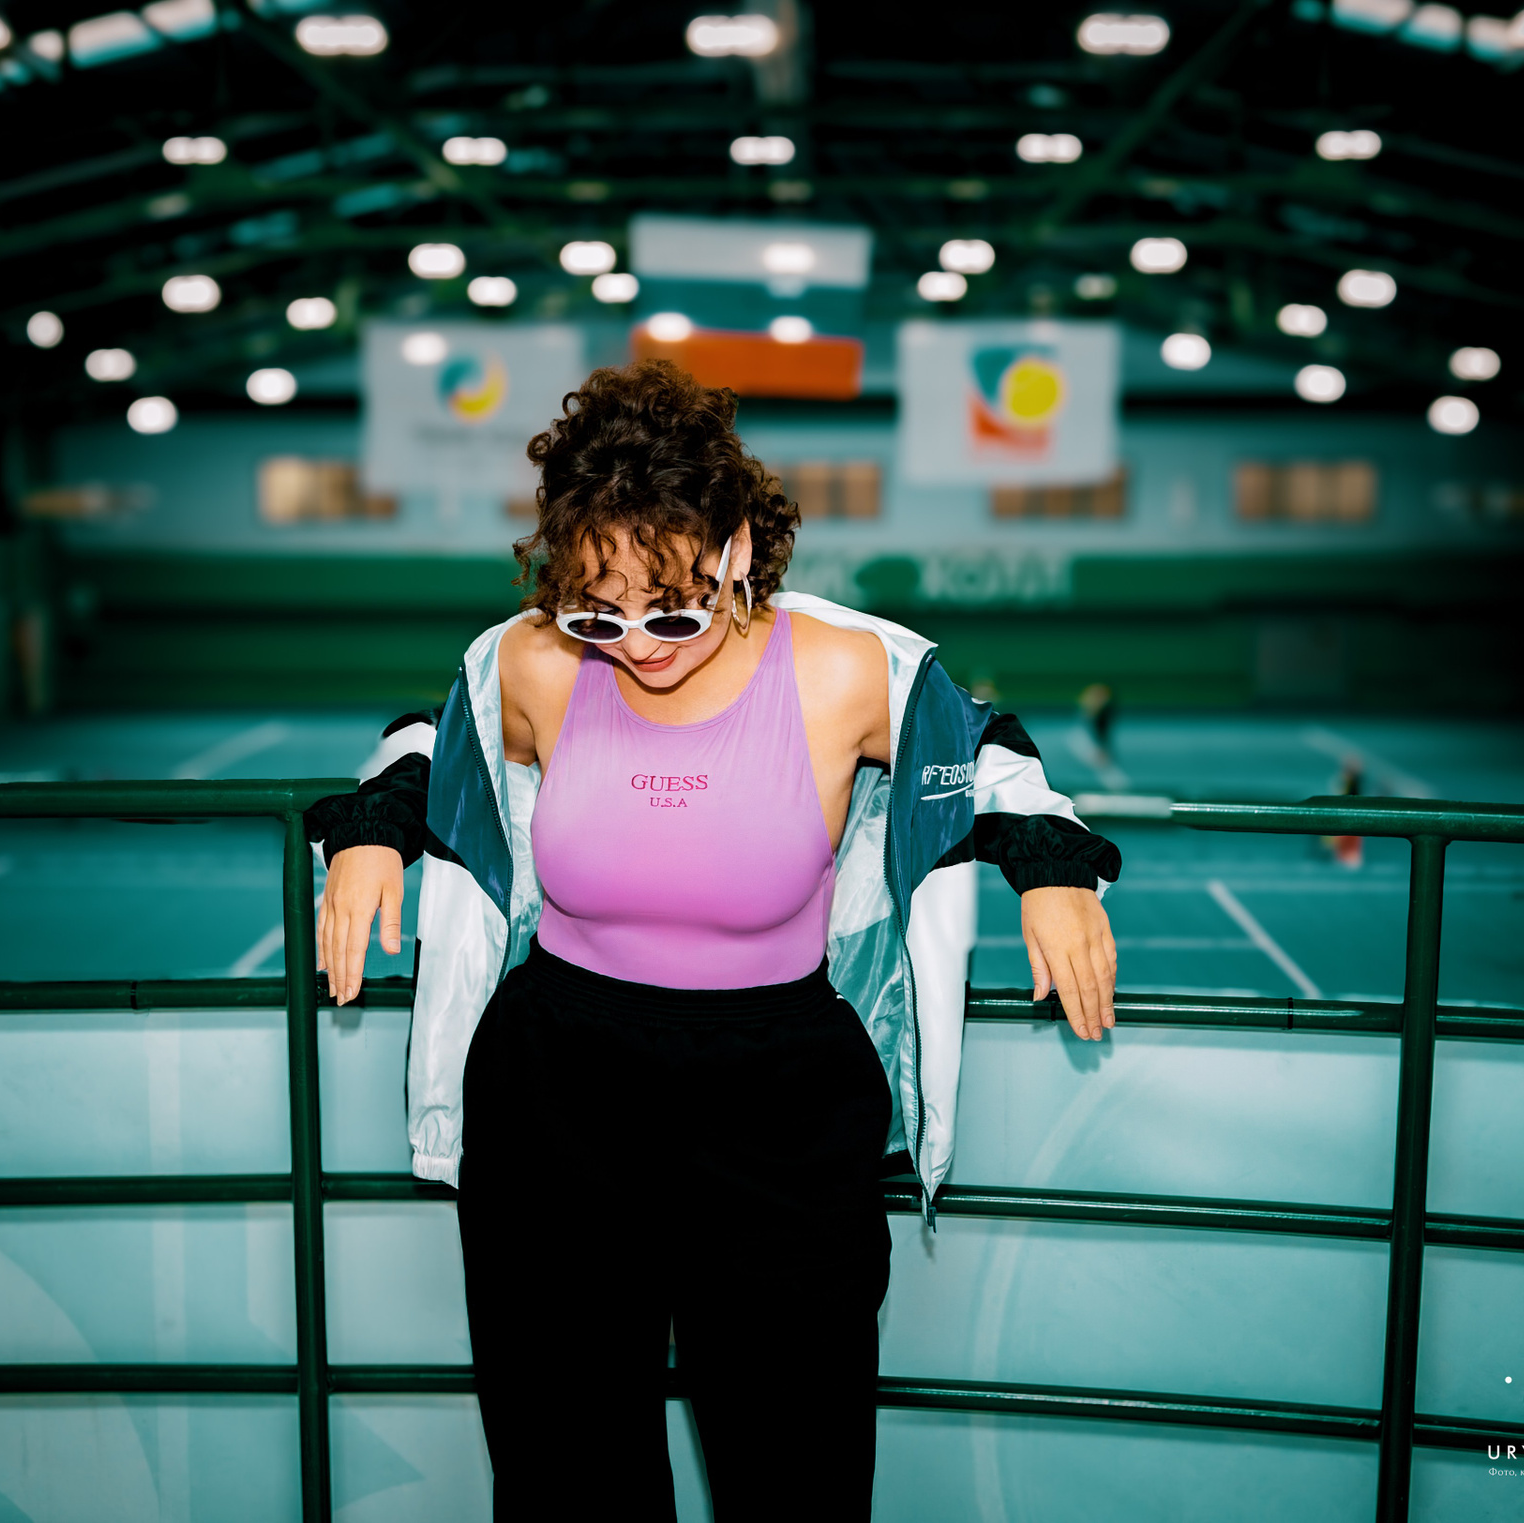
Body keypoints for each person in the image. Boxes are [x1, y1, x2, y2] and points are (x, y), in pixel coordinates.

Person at [306, 360, 1120, 1521]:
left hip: (780, 1106)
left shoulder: (839, 670)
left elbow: (980, 746)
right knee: (566, 1477)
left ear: (737, 548)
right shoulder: (539, 661)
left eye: (674, 608)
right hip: (558, 1097)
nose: (639, 642)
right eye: (598, 610)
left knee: (797, 1472)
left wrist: (1052, 866)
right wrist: (372, 833)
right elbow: (438, 738)